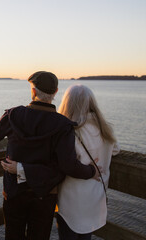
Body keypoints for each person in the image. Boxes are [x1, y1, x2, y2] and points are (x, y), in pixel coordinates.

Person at [0, 71, 100, 240]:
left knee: (13, 236)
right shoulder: (63, 125)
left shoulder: (13, 115)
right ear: (55, 92)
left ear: (34, 91)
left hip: (14, 191)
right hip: (45, 194)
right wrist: (91, 171)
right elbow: (68, 165)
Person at [56, 84, 120, 240]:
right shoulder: (104, 129)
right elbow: (116, 150)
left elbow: (64, 162)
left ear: (67, 103)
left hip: (70, 199)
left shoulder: (68, 131)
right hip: (94, 197)